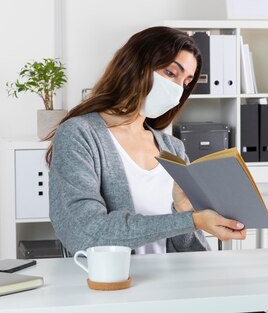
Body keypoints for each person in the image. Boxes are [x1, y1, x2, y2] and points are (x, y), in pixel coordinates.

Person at [47, 26, 247, 255]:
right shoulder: (79, 135)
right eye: (171, 73)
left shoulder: (173, 147)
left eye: (185, 82)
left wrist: (182, 210)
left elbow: (183, 246)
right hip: (117, 287)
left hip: (173, 286)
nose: (177, 89)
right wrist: (191, 221)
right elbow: (85, 234)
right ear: (136, 65)